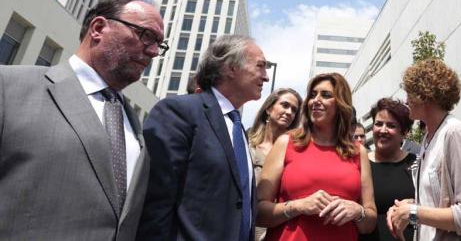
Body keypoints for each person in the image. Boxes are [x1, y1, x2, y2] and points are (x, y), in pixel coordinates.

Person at [0, 0, 163, 240]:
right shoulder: (9, 87)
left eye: (159, 43)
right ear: (98, 28)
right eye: (146, 35)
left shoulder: (134, 125)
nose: (153, 52)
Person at [137, 35, 269, 240]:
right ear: (231, 68)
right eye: (260, 66)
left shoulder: (238, 129)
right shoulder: (180, 112)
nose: (266, 76)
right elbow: (156, 199)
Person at [257, 72, 377, 240]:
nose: (316, 100)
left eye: (326, 95)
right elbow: (258, 212)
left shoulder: (358, 152)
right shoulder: (286, 143)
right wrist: (298, 206)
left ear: (341, 104)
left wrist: (358, 212)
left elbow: (369, 224)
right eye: (313, 95)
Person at [388, 59, 461, 241]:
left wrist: (414, 212)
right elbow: (441, 204)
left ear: (425, 95)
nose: (406, 100)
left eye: (409, 93)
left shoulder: (455, 134)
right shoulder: (429, 138)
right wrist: (409, 207)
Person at [247, 88, 303, 240]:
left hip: (281, 228)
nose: (289, 112)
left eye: (294, 110)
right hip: (246, 226)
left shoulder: (296, 151)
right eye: (285, 105)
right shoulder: (247, 144)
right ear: (269, 108)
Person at [361, 98, 417, 241]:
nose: (383, 130)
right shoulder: (360, 164)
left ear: (404, 132)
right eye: (378, 124)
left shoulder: (416, 164)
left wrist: (414, 206)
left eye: (391, 125)